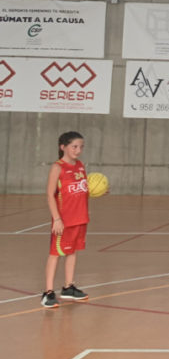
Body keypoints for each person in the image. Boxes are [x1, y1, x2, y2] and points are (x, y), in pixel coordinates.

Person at [41, 131, 91, 308]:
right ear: (63, 147)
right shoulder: (58, 167)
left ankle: (68, 287)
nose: (78, 150)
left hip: (80, 217)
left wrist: (97, 190)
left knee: (72, 252)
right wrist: (57, 219)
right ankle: (47, 293)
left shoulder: (80, 165)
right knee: (56, 254)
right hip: (64, 219)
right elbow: (49, 194)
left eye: (81, 147)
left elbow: (81, 190)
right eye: (74, 147)